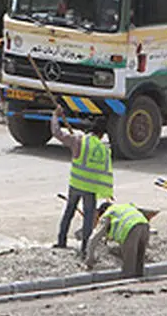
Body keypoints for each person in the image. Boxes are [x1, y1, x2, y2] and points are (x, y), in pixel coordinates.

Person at [50, 106, 114, 255]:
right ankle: (85, 248)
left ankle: (61, 241)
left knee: (69, 212)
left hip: (76, 184)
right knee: (88, 218)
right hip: (90, 188)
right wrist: (107, 192)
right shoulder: (103, 149)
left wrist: (55, 116)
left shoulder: (78, 140)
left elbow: (57, 133)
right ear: (102, 134)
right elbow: (106, 173)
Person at [85, 201, 151, 277]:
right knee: (139, 264)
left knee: (129, 267)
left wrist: (90, 258)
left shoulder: (108, 213)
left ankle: (128, 280)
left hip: (131, 229)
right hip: (145, 226)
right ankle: (140, 279)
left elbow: (94, 238)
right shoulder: (125, 207)